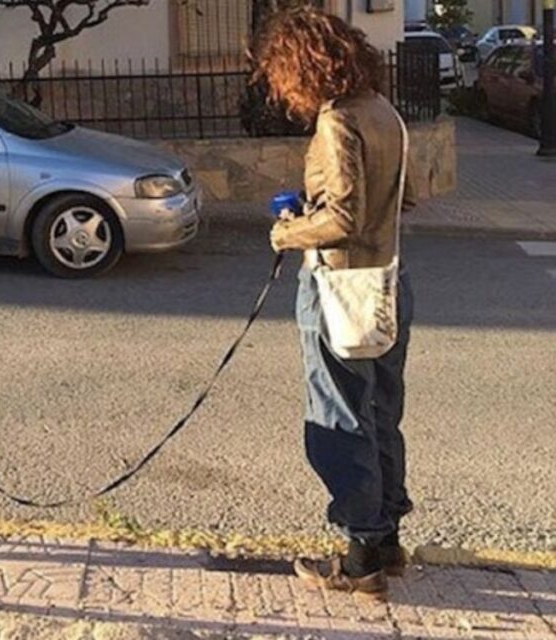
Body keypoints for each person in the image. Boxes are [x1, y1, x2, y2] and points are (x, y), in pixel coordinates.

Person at [255, 7, 415, 598]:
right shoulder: (386, 113)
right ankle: (386, 541)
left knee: (337, 417)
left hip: (341, 287)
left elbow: (344, 217)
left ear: (302, 65)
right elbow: (405, 198)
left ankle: (358, 555)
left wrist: (289, 230)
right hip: (390, 282)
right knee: (379, 412)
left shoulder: (338, 120)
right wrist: (315, 201)